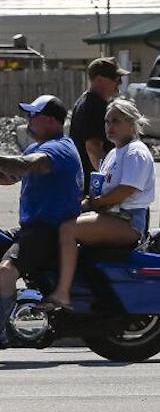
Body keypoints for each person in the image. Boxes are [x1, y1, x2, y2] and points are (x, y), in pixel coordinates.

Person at [0, 95, 85, 362]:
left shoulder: (59, 149)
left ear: (50, 120)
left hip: (47, 231)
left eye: (32, 114)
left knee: (6, 271)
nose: (27, 119)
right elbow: (4, 176)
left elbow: (23, 165)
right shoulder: (40, 148)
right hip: (33, 229)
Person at [48, 99, 154, 309]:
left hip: (128, 222)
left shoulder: (136, 152)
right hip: (111, 216)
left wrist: (95, 203)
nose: (109, 126)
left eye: (116, 121)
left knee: (68, 230)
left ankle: (62, 294)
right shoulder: (115, 153)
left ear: (132, 124)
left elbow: (126, 190)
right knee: (60, 221)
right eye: (107, 122)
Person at [69, 57, 125, 173]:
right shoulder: (93, 106)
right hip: (93, 181)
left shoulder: (88, 102)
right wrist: (107, 176)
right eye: (116, 79)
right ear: (99, 80)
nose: (119, 84)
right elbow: (93, 147)